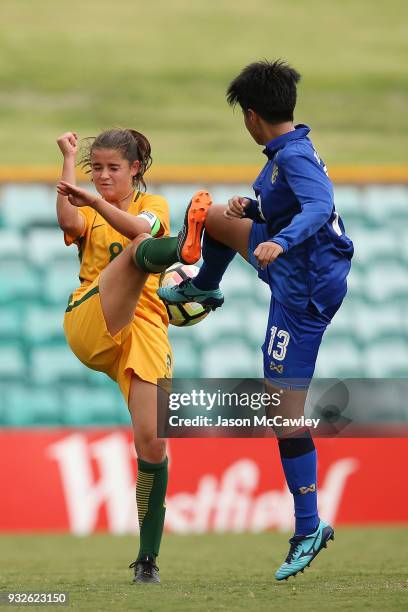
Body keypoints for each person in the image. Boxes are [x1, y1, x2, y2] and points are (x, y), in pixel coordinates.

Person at [140, 60, 354, 580]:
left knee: (284, 415)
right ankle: (205, 289)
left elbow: (319, 206)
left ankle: (309, 528)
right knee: (215, 216)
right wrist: (256, 211)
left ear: (251, 116)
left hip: (301, 294)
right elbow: (291, 204)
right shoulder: (288, 150)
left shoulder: (296, 156)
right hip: (293, 267)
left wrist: (278, 240)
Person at [56, 128, 211, 583]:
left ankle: (147, 561)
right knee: (140, 254)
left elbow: (139, 226)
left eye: (113, 168)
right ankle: (184, 248)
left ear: (135, 169)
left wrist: (95, 203)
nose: (103, 176)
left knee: (153, 441)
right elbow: (69, 223)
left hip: (144, 330)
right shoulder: (87, 208)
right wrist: (67, 160)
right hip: (92, 318)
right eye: (96, 168)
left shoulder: (153, 205)